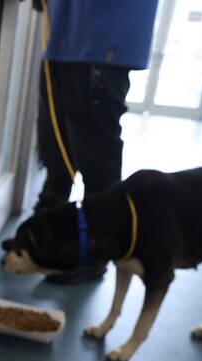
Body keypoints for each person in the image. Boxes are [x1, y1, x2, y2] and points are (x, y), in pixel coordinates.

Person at [28, 0, 159, 284]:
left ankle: (97, 249)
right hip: (64, 36)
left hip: (100, 37)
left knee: (96, 154)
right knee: (54, 144)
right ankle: (42, 229)